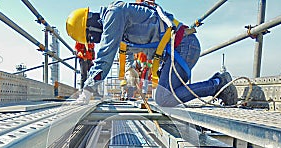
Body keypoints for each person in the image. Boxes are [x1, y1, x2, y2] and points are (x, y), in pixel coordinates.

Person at [66, 1, 237, 106]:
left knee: (164, 99)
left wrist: (87, 90)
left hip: (184, 47)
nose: (95, 41)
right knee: (166, 95)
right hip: (177, 51)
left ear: (90, 27)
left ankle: (218, 83)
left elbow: (105, 56)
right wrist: (132, 72)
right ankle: (216, 83)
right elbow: (136, 49)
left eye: (91, 38)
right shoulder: (118, 19)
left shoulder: (113, 15)